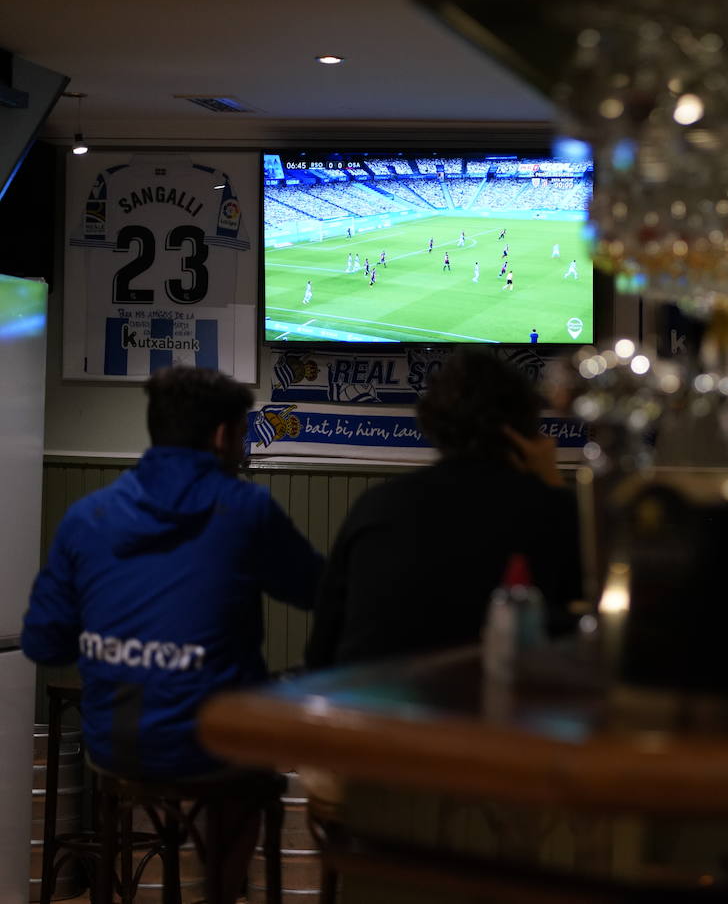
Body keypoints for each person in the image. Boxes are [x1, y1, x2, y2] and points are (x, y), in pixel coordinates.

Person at [22, 367, 323, 898]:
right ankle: (222, 893)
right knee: (249, 760)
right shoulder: (245, 509)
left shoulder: (86, 515)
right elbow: (317, 591)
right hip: (217, 747)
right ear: (222, 436)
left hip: (116, 743)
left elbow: (45, 643)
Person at [305, 349, 580, 667]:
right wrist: (553, 482)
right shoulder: (553, 510)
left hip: (367, 709)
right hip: (491, 711)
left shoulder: (376, 504)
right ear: (523, 430)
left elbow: (320, 653)